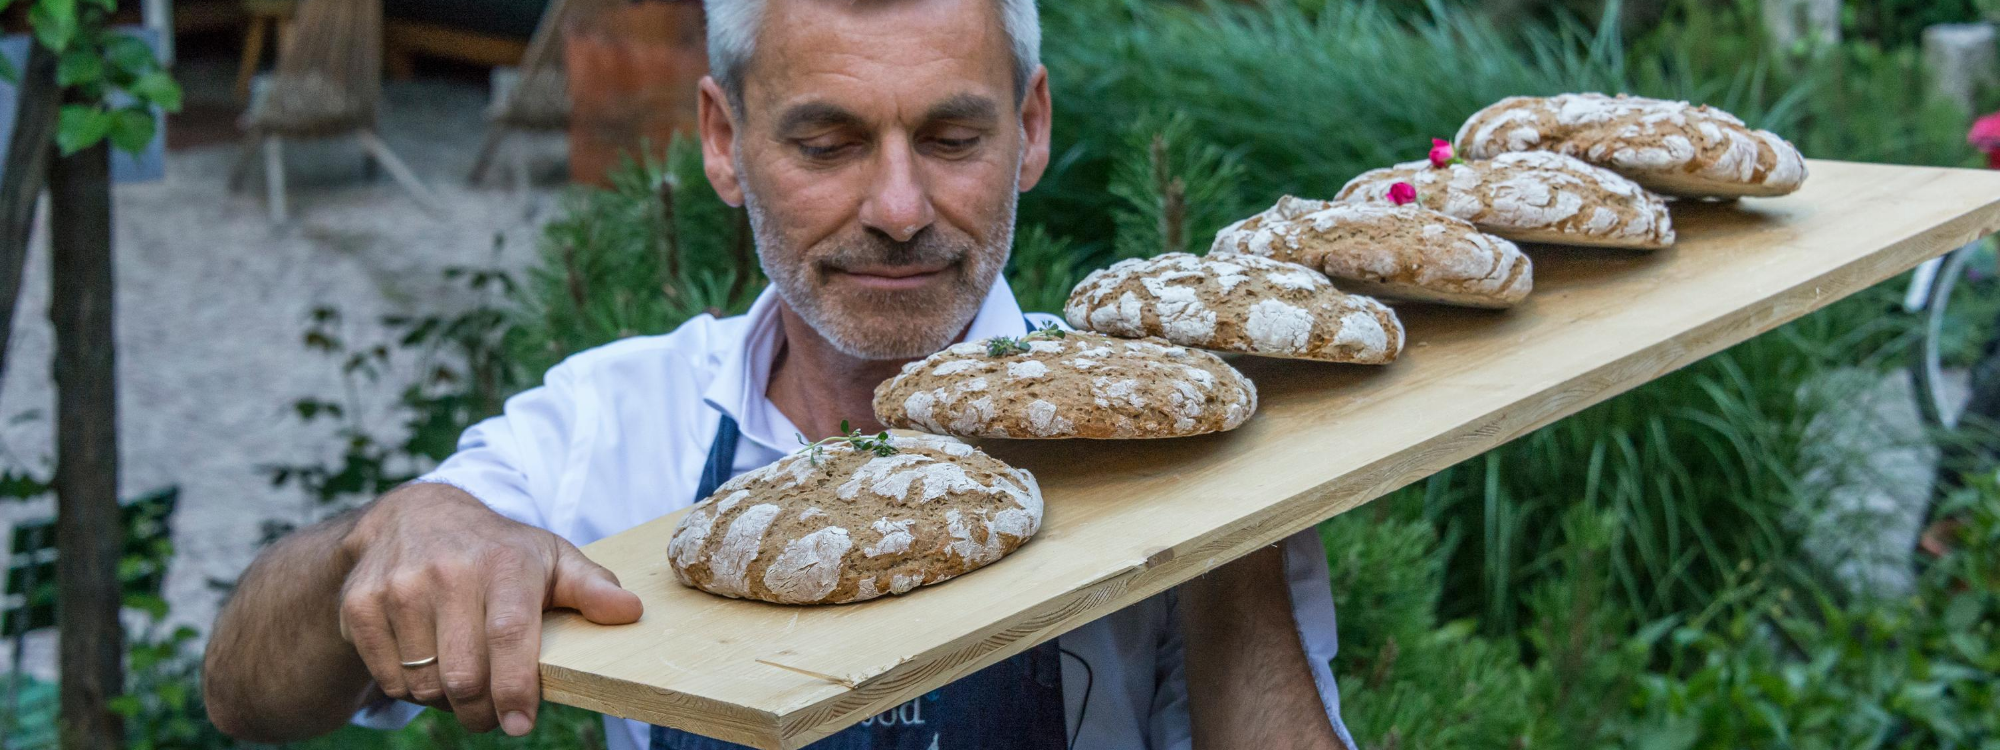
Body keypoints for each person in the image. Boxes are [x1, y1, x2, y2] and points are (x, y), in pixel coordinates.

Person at [202, 1, 1355, 748]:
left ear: (1031, 127)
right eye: (826, 144)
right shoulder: (618, 421)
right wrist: (395, 532)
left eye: (953, 141)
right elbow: (247, 699)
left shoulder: (1158, 424)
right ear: (722, 142)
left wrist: (1224, 524)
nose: (898, 211)